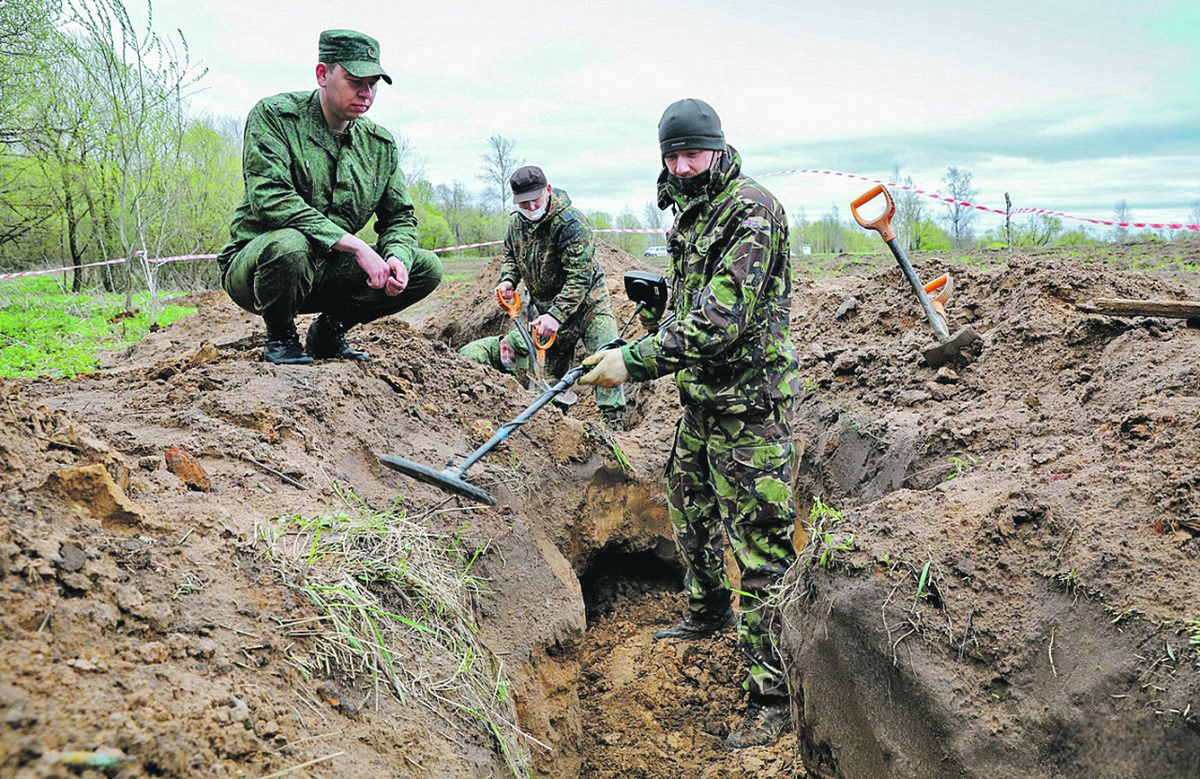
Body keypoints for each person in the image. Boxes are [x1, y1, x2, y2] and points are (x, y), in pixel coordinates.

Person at [578, 98, 801, 749]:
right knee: (690, 509)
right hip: (703, 402)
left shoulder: (753, 211)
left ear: (717, 148)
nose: (680, 167)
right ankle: (707, 613)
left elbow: (719, 321)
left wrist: (633, 362)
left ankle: (774, 695)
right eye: (671, 156)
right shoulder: (689, 207)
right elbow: (687, 307)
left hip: (752, 409)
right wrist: (655, 315)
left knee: (761, 552)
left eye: (691, 154)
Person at [217, 29, 443, 365]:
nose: (365, 93)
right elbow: (271, 199)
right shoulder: (276, 117)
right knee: (289, 245)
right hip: (260, 269)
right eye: (355, 81)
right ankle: (281, 339)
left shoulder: (379, 145)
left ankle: (329, 331)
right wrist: (356, 245)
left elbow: (399, 217)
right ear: (323, 74)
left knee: (426, 267)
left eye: (373, 84)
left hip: (326, 271)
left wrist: (397, 255)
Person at [459, 165, 626, 428]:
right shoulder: (516, 225)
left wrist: (556, 316)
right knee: (550, 381)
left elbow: (579, 277)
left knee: (605, 360)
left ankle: (614, 426)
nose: (530, 206)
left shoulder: (571, 223)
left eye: (535, 199)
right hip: (546, 312)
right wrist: (507, 280)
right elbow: (512, 258)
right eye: (523, 203)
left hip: (588, 307)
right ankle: (553, 429)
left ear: (547, 190)